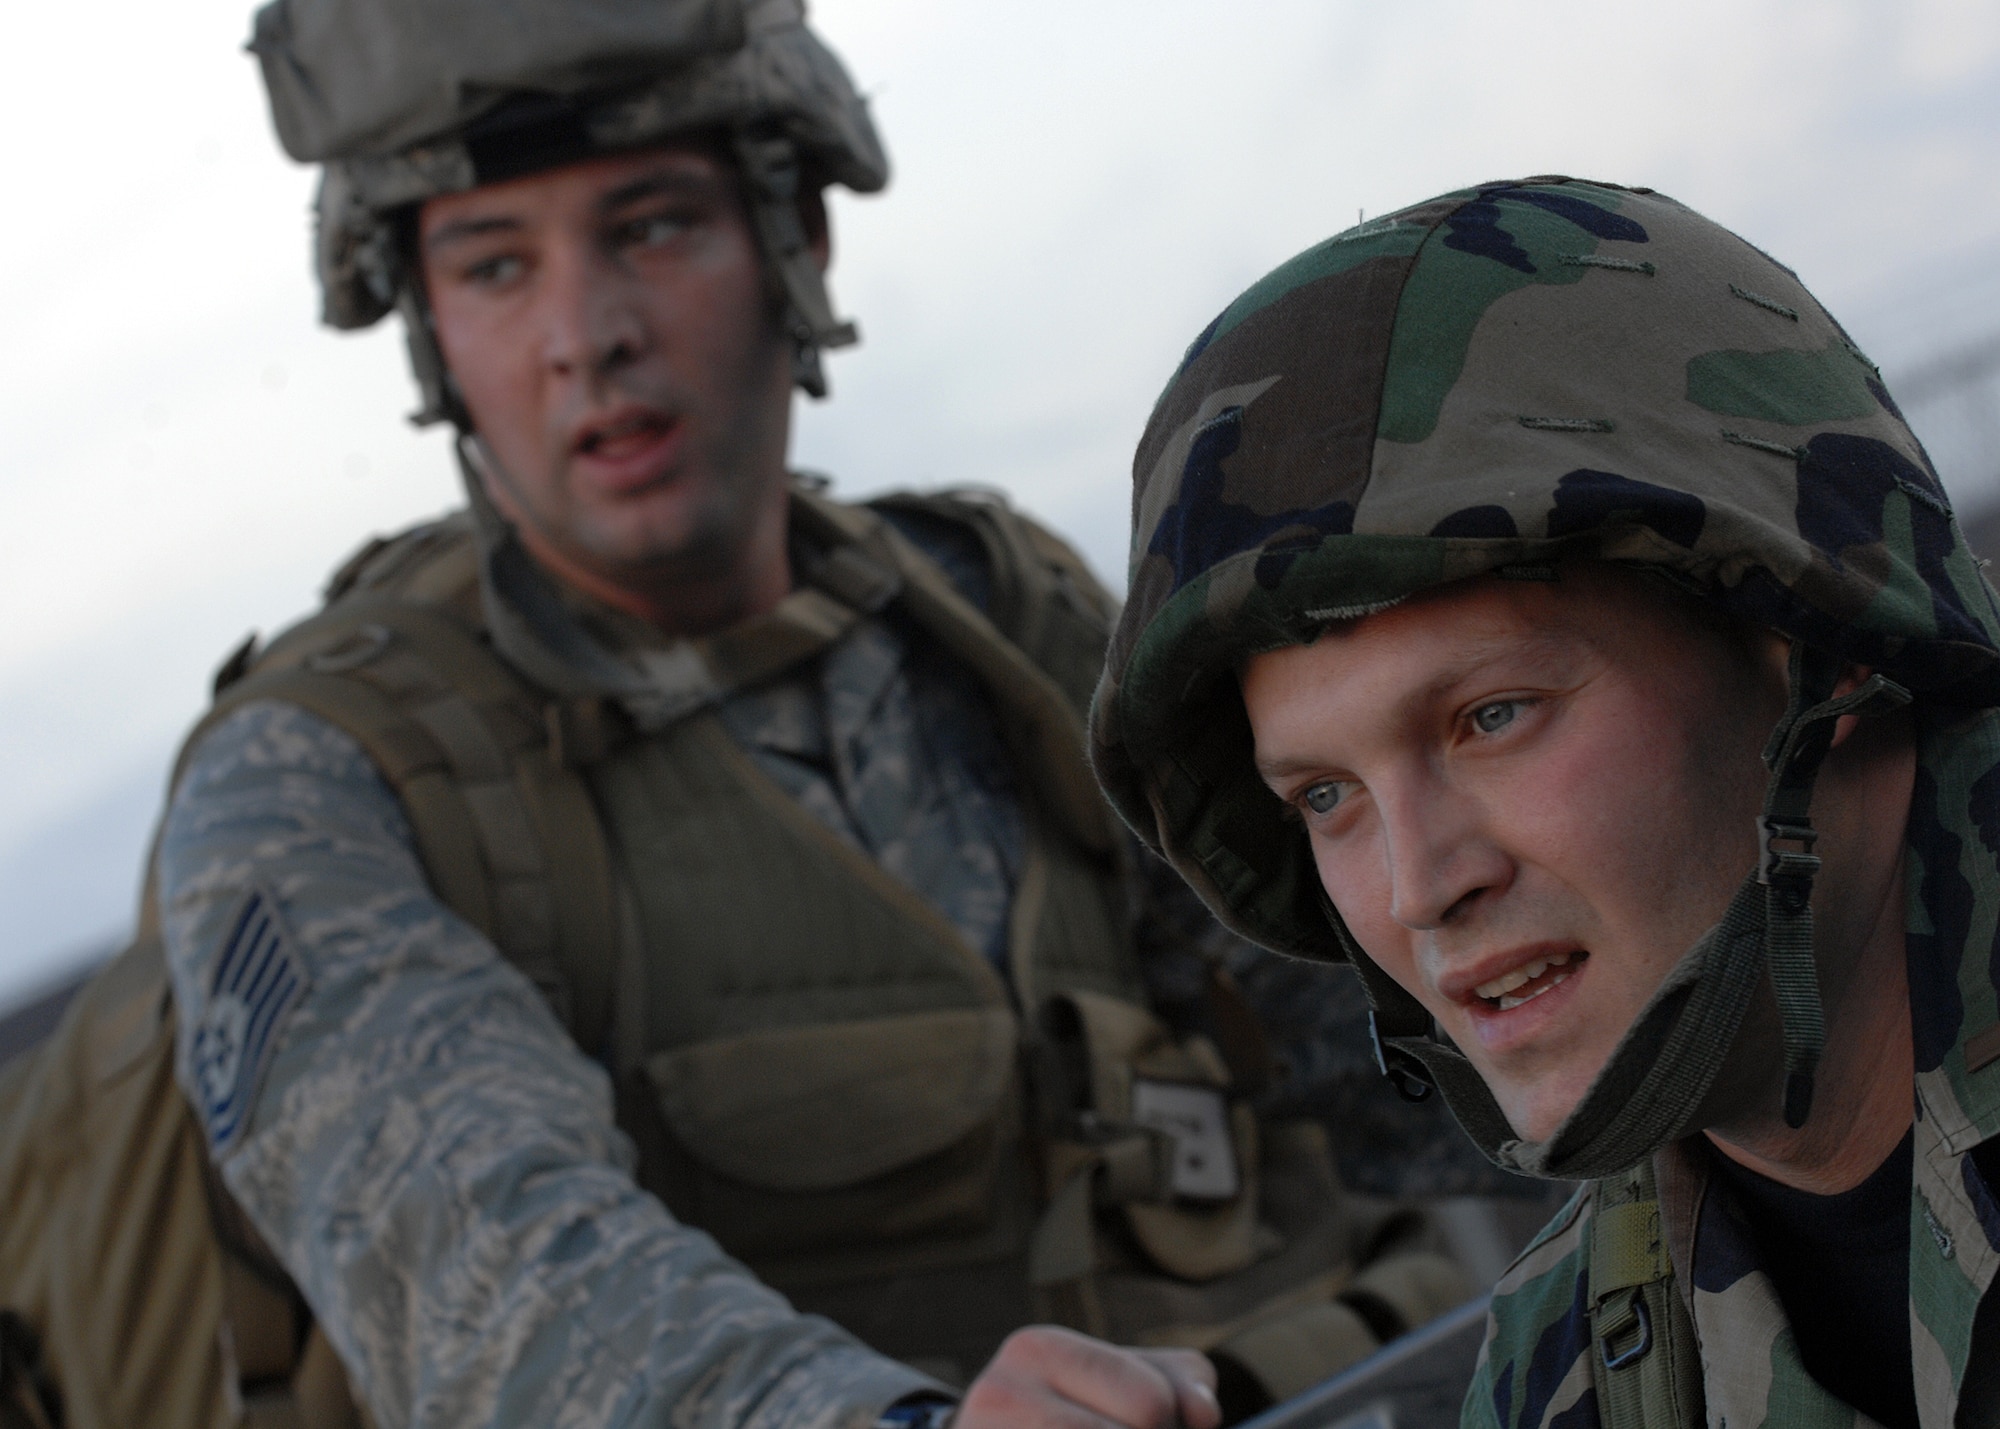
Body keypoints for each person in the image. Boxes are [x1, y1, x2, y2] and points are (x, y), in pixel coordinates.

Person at [0, 3, 1486, 1427]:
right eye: (495, 267)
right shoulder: (319, 778)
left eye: (652, 225)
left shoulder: (1004, 625)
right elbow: (492, 1284)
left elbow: (1397, 1058)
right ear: (432, 341)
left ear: (795, 242)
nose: (588, 333)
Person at [1088, 176, 2000, 1429]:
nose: (1420, 885)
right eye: (1324, 793)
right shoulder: (1563, 1361)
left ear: (1817, 645)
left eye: (1491, 717)